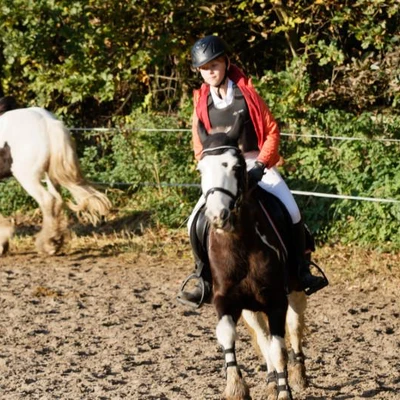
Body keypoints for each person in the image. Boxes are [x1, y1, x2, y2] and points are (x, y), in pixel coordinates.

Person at [177, 35, 328, 308]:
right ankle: (203, 279)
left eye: (215, 65)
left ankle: (301, 270)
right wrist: (207, 167)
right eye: (204, 68)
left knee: (291, 210)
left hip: (255, 161)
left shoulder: (247, 94)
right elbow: (199, 142)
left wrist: (261, 164)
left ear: (226, 63)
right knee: (194, 222)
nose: (210, 71)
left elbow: (271, 131)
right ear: (198, 71)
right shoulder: (201, 100)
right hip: (222, 169)